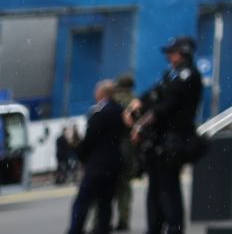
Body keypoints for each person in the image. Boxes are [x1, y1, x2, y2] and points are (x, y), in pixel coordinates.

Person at [125, 36, 203, 234]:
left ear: (184, 53)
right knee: (156, 189)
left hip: (173, 140)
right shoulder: (172, 75)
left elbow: (166, 105)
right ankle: (155, 226)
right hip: (161, 141)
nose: (170, 57)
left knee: (169, 189)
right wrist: (138, 103)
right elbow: (155, 93)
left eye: (173, 52)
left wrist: (140, 126)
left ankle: (173, 228)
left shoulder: (188, 76)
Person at [68, 80, 127, 234]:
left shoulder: (99, 112)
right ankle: (103, 229)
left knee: (82, 202)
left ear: (101, 94)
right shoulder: (120, 110)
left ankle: (75, 229)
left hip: (97, 164)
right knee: (105, 202)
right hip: (114, 163)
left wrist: (80, 154)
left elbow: (90, 139)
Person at [110, 71, 136, 231]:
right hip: (129, 148)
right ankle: (123, 220)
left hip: (111, 147)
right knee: (125, 187)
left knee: (106, 187)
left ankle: (101, 220)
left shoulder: (112, 101)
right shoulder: (134, 102)